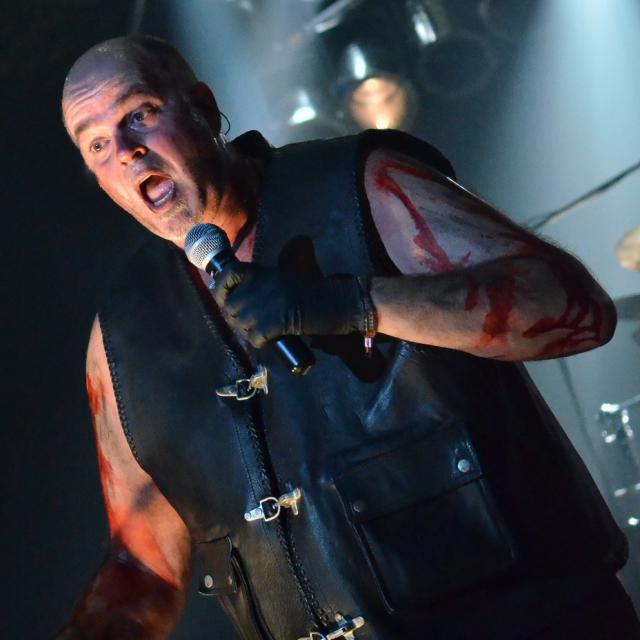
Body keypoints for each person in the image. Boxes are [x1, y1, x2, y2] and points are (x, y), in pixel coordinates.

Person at [58, 35, 639, 640]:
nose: (125, 151)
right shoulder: (122, 338)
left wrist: (353, 303)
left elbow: (574, 307)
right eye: (96, 143)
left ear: (203, 107)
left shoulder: (360, 187)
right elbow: (142, 573)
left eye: (140, 114)